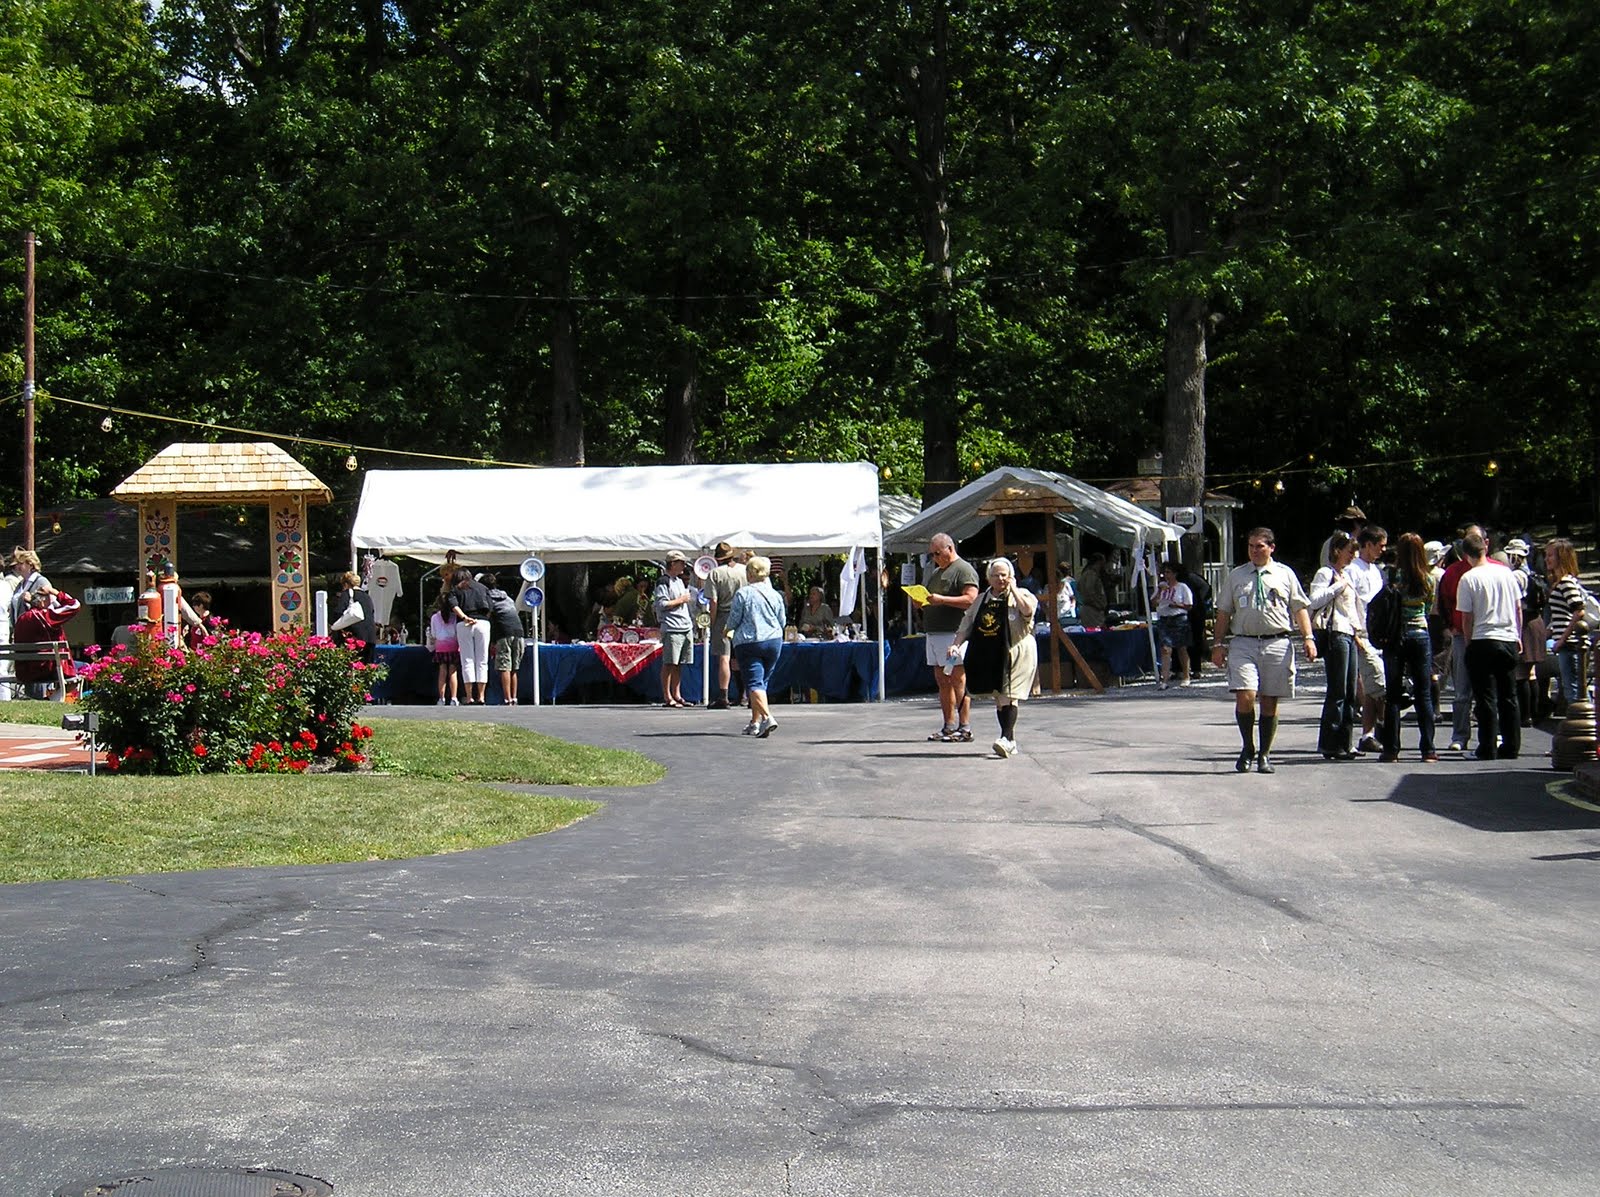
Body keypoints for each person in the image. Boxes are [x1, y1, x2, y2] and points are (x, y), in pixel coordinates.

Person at [1210, 527, 1316, 774]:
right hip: (1244, 642)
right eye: (1250, 546)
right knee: (1245, 695)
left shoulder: (1284, 574)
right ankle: (1248, 747)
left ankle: (1265, 754)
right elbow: (1224, 611)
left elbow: (1299, 608)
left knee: (1269, 700)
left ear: (1271, 547)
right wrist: (1217, 644)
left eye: (1259, 546)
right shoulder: (1237, 576)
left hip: (1276, 642)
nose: (1254, 551)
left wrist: (1308, 638)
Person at [950, 557, 1039, 758]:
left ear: (1011, 576)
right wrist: (956, 644)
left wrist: (1014, 589)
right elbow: (967, 625)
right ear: (988, 578)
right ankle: (1010, 741)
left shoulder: (1022, 594)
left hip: (1017, 651)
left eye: (1004, 575)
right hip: (993, 652)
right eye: (996, 575)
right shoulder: (982, 599)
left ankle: (1005, 739)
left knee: (1008, 694)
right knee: (1000, 698)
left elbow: (1028, 611)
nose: (1000, 579)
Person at [1456, 530, 1523, 760]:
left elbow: (1467, 617)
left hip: (1482, 638)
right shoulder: (1507, 573)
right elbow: (1517, 608)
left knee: (1484, 697)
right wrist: (1517, 635)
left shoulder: (1469, 578)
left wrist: (1468, 642)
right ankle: (1512, 745)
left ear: (1466, 555)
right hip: (1507, 637)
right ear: (1485, 548)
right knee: (1508, 695)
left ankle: (1487, 746)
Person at [913, 533, 979, 742]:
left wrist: (942, 600)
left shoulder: (963, 570)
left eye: (938, 553)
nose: (935, 557)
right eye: (932, 554)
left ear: (950, 549)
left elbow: (971, 599)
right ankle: (948, 725)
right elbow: (932, 599)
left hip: (953, 635)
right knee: (942, 680)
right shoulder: (937, 572)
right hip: (934, 634)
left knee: (957, 678)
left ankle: (965, 726)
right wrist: (921, 602)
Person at [1378, 533, 1439, 762]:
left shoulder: (1392, 575)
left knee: (1393, 694)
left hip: (1396, 636)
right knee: (1423, 693)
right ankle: (1428, 749)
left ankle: (1391, 749)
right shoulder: (1428, 579)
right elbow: (1429, 607)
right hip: (1420, 634)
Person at [1307, 532, 1364, 760]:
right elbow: (1314, 601)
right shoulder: (1326, 573)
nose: (1353, 555)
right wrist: (1336, 588)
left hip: (1349, 633)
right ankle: (1331, 743)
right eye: (1350, 551)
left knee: (1350, 691)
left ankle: (1345, 742)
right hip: (1335, 634)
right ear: (1338, 550)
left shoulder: (1345, 574)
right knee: (1338, 690)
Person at [724, 555, 787, 738]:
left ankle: (768, 718)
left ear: (750, 573)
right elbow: (782, 621)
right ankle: (755, 722)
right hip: (773, 641)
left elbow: (734, 619)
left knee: (753, 682)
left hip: (749, 642)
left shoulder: (743, 593)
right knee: (761, 683)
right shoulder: (776, 594)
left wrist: (727, 629)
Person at [1348, 525, 1389, 754]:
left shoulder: (1376, 570)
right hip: (1362, 633)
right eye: (1379, 545)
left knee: (1375, 687)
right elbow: (1351, 602)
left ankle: (1370, 733)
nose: (1382, 550)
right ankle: (1377, 729)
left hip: (1377, 634)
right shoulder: (1354, 570)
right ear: (1368, 544)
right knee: (1378, 685)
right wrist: (1355, 632)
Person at [1543, 538, 1587, 710]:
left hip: (1569, 644)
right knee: (1572, 689)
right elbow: (1563, 613)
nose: (1547, 559)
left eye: (1550, 555)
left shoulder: (1566, 583)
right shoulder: (1561, 583)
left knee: (1574, 691)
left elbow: (1578, 611)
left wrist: (1562, 638)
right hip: (1564, 643)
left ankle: (1583, 726)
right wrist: (1549, 632)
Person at [702, 543, 747, 709]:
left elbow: (713, 601)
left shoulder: (715, 573)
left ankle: (723, 695)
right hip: (743, 616)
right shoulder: (744, 570)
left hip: (724, 615)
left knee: (724, 656)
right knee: (741, 656)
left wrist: (712, 622)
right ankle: (745, 694)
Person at [445, 568, 494, 705]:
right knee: (482, 660)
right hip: (483, 623)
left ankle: (469, 696)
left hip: (464, 625)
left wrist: (465, 617)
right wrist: (482, 619)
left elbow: (453, 605)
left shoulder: (456, 589)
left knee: (467, 660)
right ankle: (482, 696)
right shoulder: (483, 588)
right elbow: (491, 606)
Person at [653, 550, 696, 707]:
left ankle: (677, 694)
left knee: (680, 663)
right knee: (669, 662)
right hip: (672, 627)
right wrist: (681, 600)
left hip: (685, 626)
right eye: (681, 562)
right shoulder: (663, 581)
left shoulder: (679, 580)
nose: (684, 565)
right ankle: (667, 696)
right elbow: (662, 604)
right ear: (672, 564)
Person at [481, 572, 525, 706]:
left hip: (504, 632)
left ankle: (507, 699)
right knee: (514, 668)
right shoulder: (507, 597)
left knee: (504, 666)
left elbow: (490, 619)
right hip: (519, 631)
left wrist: (492, 641)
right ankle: (514, 697)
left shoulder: (488, 598)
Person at [1152, 561, 1194, 689]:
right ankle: (1164, 679)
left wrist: (1176, 605)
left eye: (1168, 572)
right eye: (1164, 573)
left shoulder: (1182, 587)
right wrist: (1159, 591)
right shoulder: (1161, 587)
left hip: (1178, 618)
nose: (1166, 575)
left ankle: (1186, 676)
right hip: (1164, 619)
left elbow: (1189, 605)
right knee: (1165, 649)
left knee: (1181, 648)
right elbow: (1153, 603)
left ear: (1175, 574)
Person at [329, 571, 378, 665]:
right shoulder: (367, 596)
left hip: (355, 636)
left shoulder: (347, 594)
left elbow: (338, 612)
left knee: (352, 667)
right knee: (366, 667)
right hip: (370, 637)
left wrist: (335, 625)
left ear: (346, 584)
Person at [427, 595, 461, 705]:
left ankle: (441, 698)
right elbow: (457, 632)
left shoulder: (434, 618)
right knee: (453, 672)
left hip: (440, 647)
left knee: (442, 673)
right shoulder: (455, 617)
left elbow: (433, 634)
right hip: (453, 645)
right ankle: (454, 698)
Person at [9, 548, 49, 624]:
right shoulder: (20, 584)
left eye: (20, 563)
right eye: (16, 564)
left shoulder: (41, 581)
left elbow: (48, 607)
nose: (17, 567)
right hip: (20, 629)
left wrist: (31, 600)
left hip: (35, 629)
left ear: (30, 564)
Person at [1077, 553, 1112, 629]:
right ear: (1098, 562)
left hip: (1089, 609)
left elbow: (1079, 588)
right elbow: (1090, 591)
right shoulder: (1091, 574)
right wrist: (1098, 605)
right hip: (1092, 611)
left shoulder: (1084, 574)